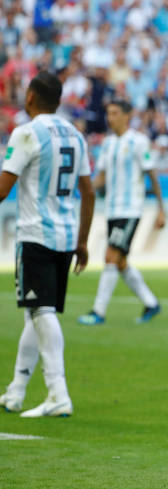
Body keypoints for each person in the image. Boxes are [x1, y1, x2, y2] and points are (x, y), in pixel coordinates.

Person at [0, 71, 95, 417]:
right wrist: (83, 241)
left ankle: (58, 393)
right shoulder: (76, 134)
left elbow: (2, 189)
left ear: (29, 97)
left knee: (41, 311)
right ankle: (16, 391)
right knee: (35, 313)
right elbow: (89, 191)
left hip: (36, 234)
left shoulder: (26, 133)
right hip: (66, 236)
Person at [77, 99, 164, 326]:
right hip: (112, 209)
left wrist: (161, 210)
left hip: (130, 209)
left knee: (110, 256)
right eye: (109, 113)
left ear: (127, 116)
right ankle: (151, 303)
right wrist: (81, 188)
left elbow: (152, 174)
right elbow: (102, 178)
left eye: (115, 113)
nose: (110, 117)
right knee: (121, 262)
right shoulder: (107, 143)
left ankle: (98, 312)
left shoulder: (139, 141)